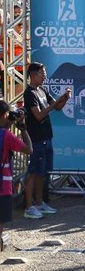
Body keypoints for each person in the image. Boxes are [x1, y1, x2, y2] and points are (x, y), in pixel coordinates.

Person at [23, 62, 71, 220]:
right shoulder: (29, 93)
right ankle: (29, 207)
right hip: (35, 139)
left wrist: (64, 99)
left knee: (42, 173)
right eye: (42, 73)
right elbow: (38, 115)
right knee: (32, 173)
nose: (44, 76)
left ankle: (39, 203)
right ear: (33, 75)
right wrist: (55, 104)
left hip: (46, 137)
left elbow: (57, 107)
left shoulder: (42, 90)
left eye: (45, 73)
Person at [0, 102, 32, 247]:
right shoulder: (6, 135)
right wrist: (22, 128)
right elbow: (29, 150)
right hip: (2, 185)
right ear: (5, 115)